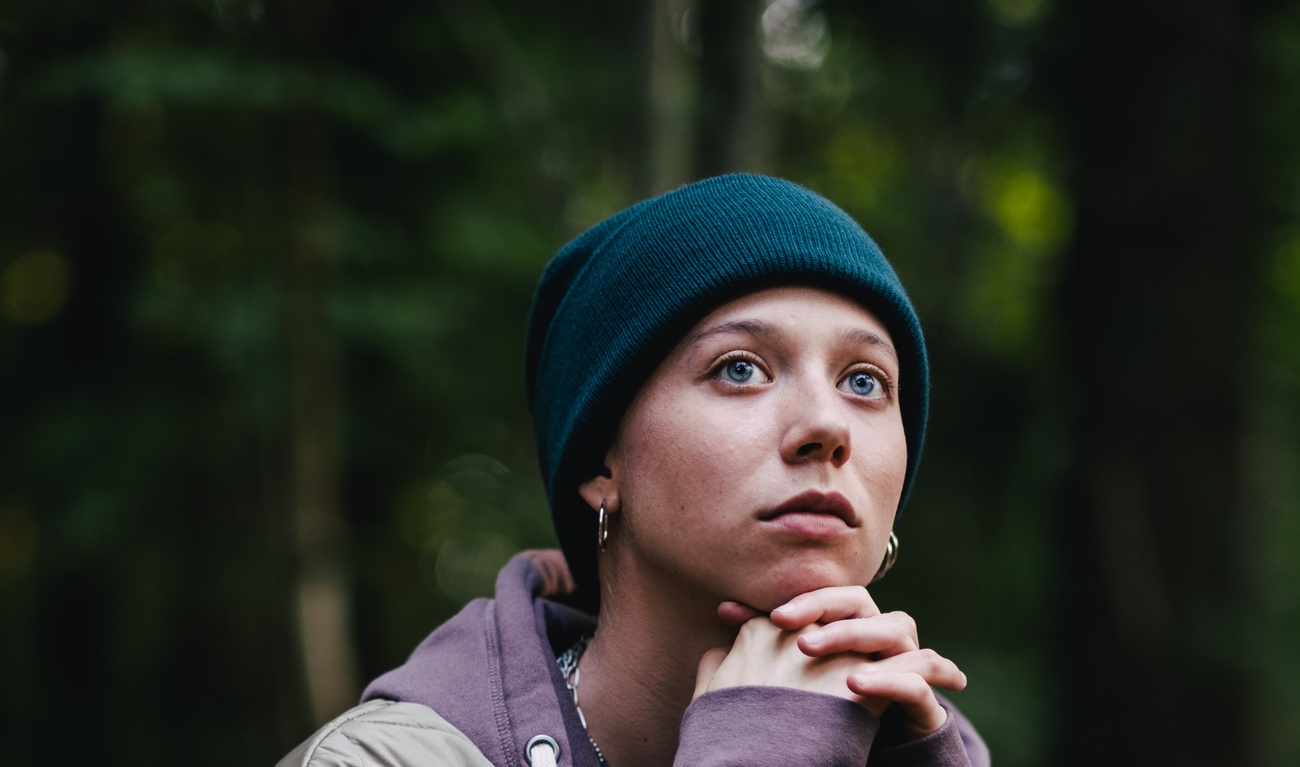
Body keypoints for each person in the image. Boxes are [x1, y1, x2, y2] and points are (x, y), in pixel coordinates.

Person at [278, 174, 989, 767]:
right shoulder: (385, 760)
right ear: (600, 462)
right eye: (740, 368)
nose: (828, 427)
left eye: (864, 381)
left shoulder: (925, 743)